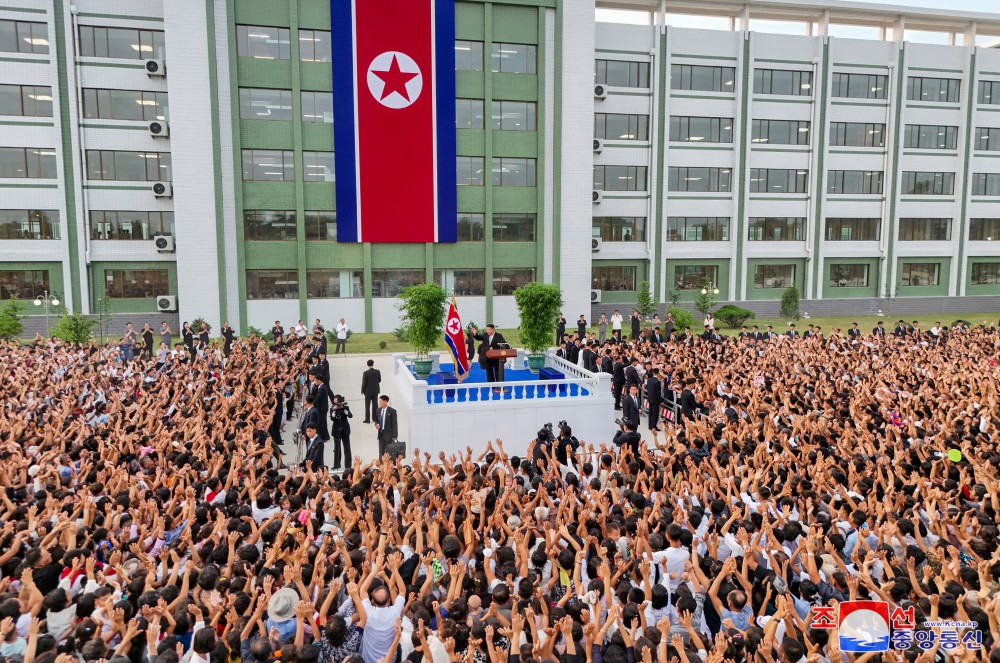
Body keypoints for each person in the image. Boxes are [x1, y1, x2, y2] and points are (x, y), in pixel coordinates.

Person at [330, 394, 352, 470]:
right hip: (336, 430)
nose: (335, 403)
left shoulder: (345, 407)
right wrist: (334, 411)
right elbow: (332, 419)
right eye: (334, 401)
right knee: (337, 448)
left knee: (347, 448)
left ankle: (348, 465)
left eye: (336, 401)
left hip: (345, 430)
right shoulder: (332, 408)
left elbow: (350, 415)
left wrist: (344, 410)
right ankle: (336, 464)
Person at [308, 369, 330, 441]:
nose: (315, 382)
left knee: (322, 423)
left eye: (316, 380)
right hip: (321, 407)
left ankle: (324, 437)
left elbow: (317, 398)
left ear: (320, 380)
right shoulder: (319, 387)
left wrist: (311, 404)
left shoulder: (322, 388)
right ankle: (325, 436)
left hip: (322, 408)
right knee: (322, 422)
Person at [374, 394, 398, 458]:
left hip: (389, 436)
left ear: (385, 402)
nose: (379, 403)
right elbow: (376, 420)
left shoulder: (392, 411)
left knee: (389, 454)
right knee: (381, 453)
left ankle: (389, 467)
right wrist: (376, 424)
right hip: (381, 435)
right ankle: (381, 467)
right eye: (379, 401)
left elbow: (395, 424)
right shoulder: (378, 410)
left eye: (381, 401)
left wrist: (394, 437)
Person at [360, 359, 381, 423]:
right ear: (373, 364)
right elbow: (379, 380)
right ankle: (375, 418)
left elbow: (364, 383)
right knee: (375, 405)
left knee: (367, 406)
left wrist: (362, 390)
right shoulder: (377, 371)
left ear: (367, 364)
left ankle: (367, 419)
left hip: (368, 391)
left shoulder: (365, 373)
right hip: (375, 390)